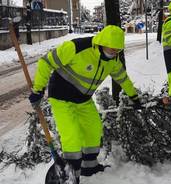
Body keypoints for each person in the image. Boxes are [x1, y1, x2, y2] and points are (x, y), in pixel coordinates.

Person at [28, 25, 142, 183]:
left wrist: (134, 97)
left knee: (94, 129)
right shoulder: (76, 47)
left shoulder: (112, 60)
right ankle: (70, 173)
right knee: (72, 136)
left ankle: (89, 166)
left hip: (83, 99)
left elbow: (122, 78)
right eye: (112, 48)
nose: (115, 52)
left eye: (118, 50)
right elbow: (46, 61)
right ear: (102, 42)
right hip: (61, 96)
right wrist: (38, 89)